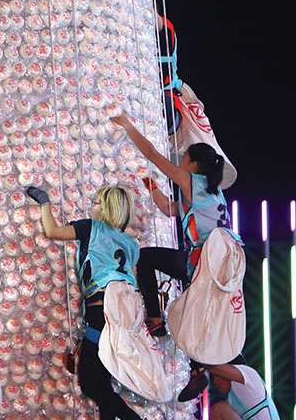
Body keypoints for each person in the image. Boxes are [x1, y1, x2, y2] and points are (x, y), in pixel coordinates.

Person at [111, 112, 233, 400]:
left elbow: (153, 154)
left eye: (185, 157)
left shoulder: (192, 181)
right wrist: (151, 185)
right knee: (194, 314)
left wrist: (129, 125)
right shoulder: (212, 194)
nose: (181, 161)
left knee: (145, 258)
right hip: (215, 269)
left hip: (199, 263)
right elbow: (169, 209)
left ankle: (155, 317)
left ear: (193, 164)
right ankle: (197, 370)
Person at [26, 184, 143, 420]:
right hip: (125, 315)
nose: (91, 207)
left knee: (90, 383)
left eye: (96, 203)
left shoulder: (92, 227)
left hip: (100, 310)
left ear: (107, 209)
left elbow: (52, 231)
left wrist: (44, 202)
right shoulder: (132, 245)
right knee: (103, 381)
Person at [207, 358, 281, 419]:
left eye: (217, 375)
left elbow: (215, 367)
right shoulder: (233, 399)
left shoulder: (249, 375)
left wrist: (199, 358)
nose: (215, 381)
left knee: (218, 410)